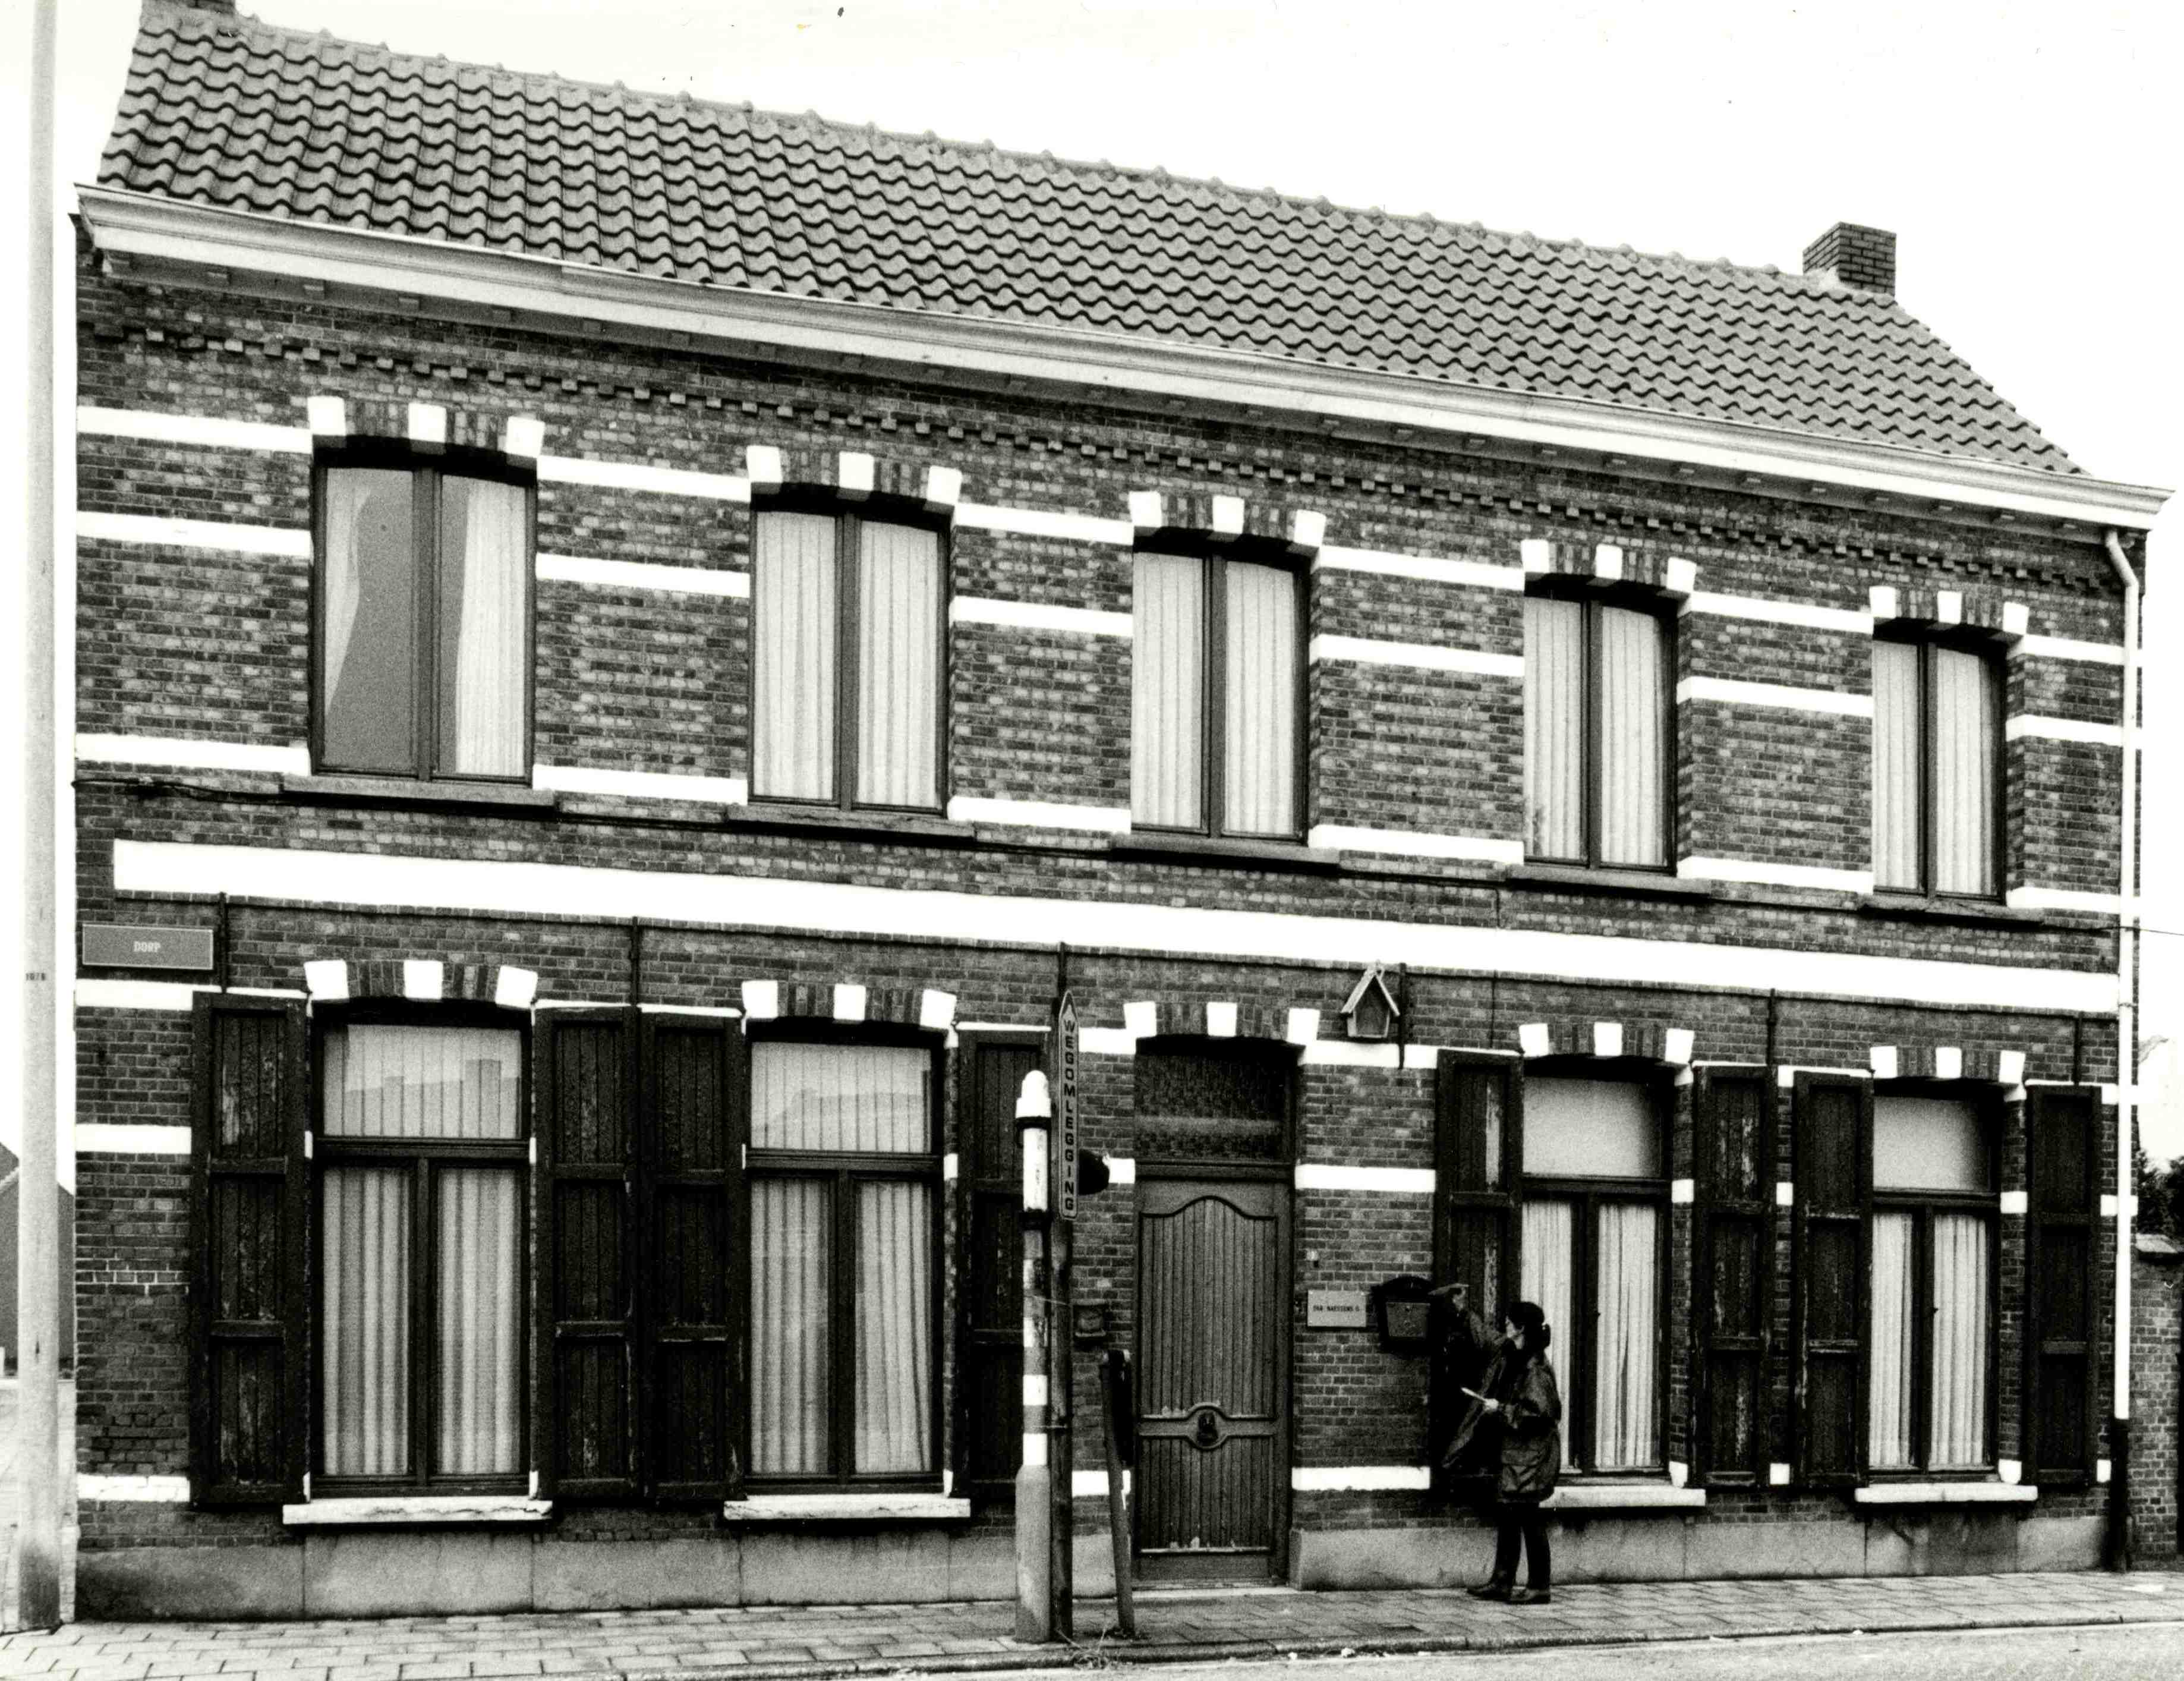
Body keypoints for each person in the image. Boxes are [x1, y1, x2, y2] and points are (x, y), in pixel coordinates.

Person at [1437, 1296, 1562, 1605]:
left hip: (1530, 1457)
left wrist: (1501, 1409)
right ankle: (1502, 1582)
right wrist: (1463, 1312)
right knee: (1509, 1514)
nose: (1505, 1324)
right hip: (1517, 1455)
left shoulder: (1535, 1370)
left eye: (1509, 1321)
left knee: (1529, 1517)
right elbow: (1487, 1337)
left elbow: (1541, 1415)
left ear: (1521, 1328)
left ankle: (1539, 1587)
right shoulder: (1512, 1353)